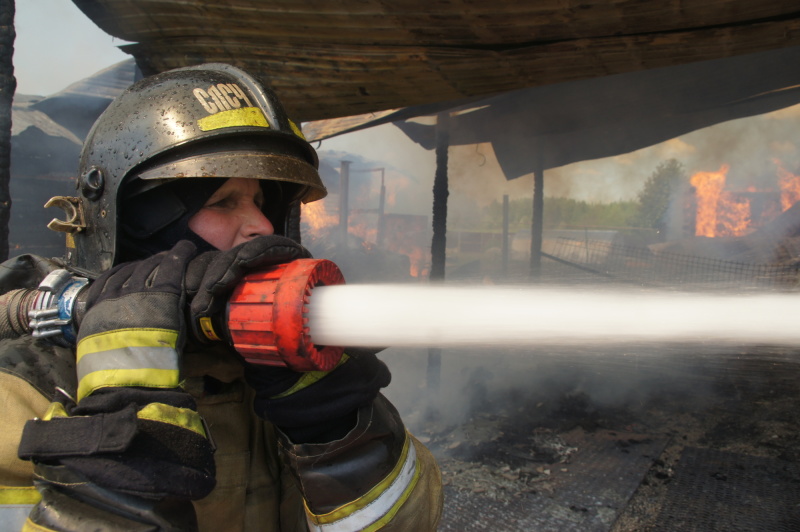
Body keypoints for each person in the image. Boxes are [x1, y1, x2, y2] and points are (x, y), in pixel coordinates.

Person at [0, 63, 443, 531]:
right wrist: (111, 474)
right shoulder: (29, 385)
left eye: (261, 202)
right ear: (135, 230)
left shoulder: (276, 371)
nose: (263, 228)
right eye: (224, 201)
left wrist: (340, 432)